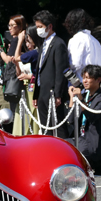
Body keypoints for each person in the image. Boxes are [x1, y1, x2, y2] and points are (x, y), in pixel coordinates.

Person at [68, 65, 101, 175]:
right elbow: (70, 120)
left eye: (88, 78)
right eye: (83, 78)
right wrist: (72, 98)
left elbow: (92, 117)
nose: (84, 81)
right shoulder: (84, 95)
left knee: (78, 151)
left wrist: (81, 99)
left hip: (94, 142)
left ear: (98, 80)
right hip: (80, 138)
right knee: (61, 145)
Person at [33, 10, 69, 138]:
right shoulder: (43, 44)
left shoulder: (58, 44)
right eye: (37, 27)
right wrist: (36, 94)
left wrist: (58, 94)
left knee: (57, 124)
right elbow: (39, 70)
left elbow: (60, 70)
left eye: (40, 27)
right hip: (42, 90)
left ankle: (64, 147)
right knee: (45, 126)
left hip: (52, 91)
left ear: (49, 26)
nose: (38, 30)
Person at [64, 9, 101, 81]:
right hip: (95, 82)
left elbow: (75, 64)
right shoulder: (96, 41)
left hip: (81, 82)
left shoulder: (77, 39)